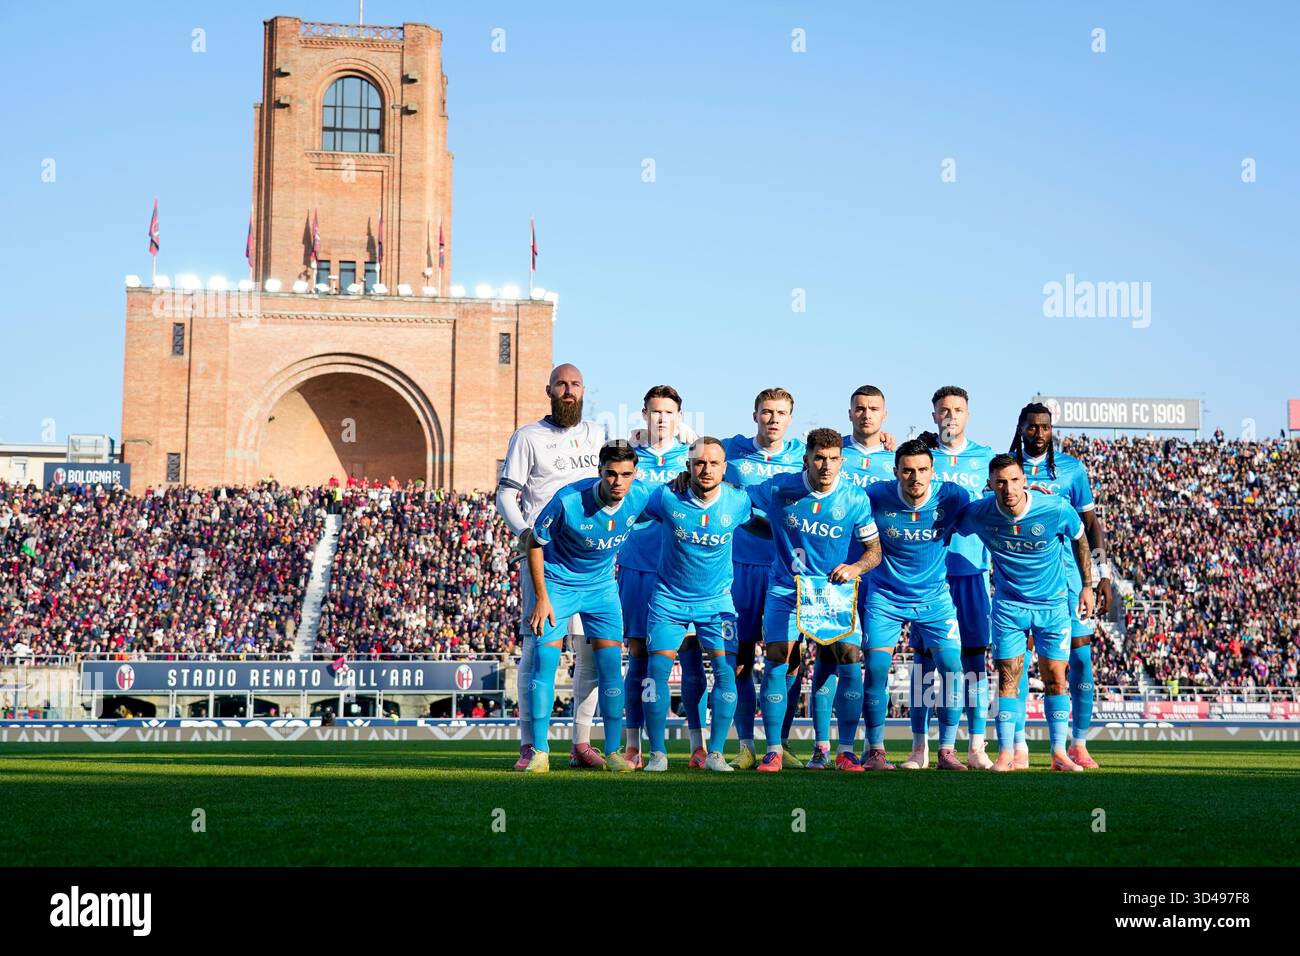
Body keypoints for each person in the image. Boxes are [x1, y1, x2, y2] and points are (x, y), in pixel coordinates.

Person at [736, 428, 881, 771]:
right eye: (819, 458)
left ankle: (843, 750)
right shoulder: (779, 487)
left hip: (832, 591)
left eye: (833, 459)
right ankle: (773, 749)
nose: (826, 465)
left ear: (841, 462)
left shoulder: (855, 498)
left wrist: (855, 567)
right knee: (778, 658)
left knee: (847, 656)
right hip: (787, 588)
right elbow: (734, 499)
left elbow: (874, 551)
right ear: (806, 459)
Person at [496, 363, 609, 770]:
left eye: (575, 384)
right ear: (549, 390)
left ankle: (581, 742)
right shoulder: (528, 437)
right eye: (561, 384)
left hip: (593, 559)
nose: (568, 391)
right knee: (539, 649)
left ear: (583, 390)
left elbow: (621, 483)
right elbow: (507, 494)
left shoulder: (598, 436)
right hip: (546, 558)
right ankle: (531, 743)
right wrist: (524, 531)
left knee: (593, 651)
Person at [950, 455, 1095, 772]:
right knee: (1007, 680)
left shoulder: (1054, 508)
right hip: (1009, 608)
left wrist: (1087, 585)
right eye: (1000, 482)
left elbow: (1080, 537)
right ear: (990, 485)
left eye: (1014, 480)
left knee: (1056, 679)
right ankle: (1006, 754)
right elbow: (947, 523)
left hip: (1053, 607)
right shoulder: (980, 513)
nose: (1008, 488)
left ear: (1024, 481)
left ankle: (1059, 753)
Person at [638, 438, 768, 772]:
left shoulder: (738, 502)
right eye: (699, 463)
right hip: (669, 600)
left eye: (713, 464)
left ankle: (715, 754)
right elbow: (629, 511)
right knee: (657, 674)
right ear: (688, 467)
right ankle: (658, 755)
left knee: (727, 673)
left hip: (717, 604)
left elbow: (767, 525)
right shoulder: (666, 497)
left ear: (725, 468)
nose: (706, 469)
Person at [520, 442, 647, 773]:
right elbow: (534, 542)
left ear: (636, 474)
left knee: (609, 667)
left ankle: (614, 751)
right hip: (558, 585)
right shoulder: (567, 500)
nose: (618, 481)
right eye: (611, 474)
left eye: (626, 475)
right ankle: (540, 752)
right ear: (600, 471)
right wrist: (542, 597)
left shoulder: (641, 495)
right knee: (544, 662)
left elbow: (677, 501)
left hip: (602, 589)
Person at [1010, 402, 1112, 768]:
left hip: (1070, 578)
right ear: (1020, 427)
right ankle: (1017, 744)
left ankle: (1079, 743)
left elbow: (1090, 524)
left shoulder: (1071, 469)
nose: (1039, 434)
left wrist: (1102, 575)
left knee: (1081, 657)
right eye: (1032, 427)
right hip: (1018, 578)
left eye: (1045, 427)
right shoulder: (1006, 467)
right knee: (1016, 661)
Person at [863, 440, 972, 769]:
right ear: (895, 471)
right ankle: (876, 751)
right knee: (877, 670)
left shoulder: (952, 497)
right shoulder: (875, 496)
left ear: (932, 471)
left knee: (953, 670)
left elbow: (988, 514)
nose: (915, 477)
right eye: (908, 470)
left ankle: (947, 751)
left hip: (934, 599)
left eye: (923, 469)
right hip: (885, 596)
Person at [911, 385, 997, 770]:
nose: (950, 416)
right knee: (925, 663)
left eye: (957, 409)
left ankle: (976, 745)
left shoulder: (987, 458)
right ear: (934, 416)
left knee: (975, 660)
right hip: (928, 577)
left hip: (972, 572)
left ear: (967, 414)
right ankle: (920, 747)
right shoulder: (921, 458)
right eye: (943, 410)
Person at [722, 388, 806, 769]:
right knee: (739, 657)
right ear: (754, 414)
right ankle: (744, 745)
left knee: (788, 658)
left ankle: (780, 741)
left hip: (789, 573)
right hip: (740, 567)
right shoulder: (731, 451)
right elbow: (690, 455)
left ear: (791, 417)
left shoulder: (803, 457)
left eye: (781, 412)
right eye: (767, 412)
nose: (774, 418)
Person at [616, 386, 694, 768]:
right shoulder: (629, 458)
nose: (661, 419)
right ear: (643, 414)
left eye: (669, 412)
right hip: (638, 566)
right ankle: (634, 746)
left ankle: (698, 747)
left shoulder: (694, 459)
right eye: (655, 412)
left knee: (693, 657)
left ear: (679, 416)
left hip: (685, 573)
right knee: (639, 656)